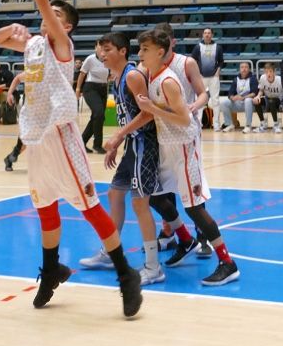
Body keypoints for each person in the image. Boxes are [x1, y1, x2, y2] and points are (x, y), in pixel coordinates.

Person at [0, 0, 142, 317]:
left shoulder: (60, 46)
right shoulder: (35, 46)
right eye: (48, 14)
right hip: (37, 138)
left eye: (57, 15)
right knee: (45, 206)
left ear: (67, 28)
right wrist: (17, 31)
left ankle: (127, 275)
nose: (48, 15)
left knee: (89, 206)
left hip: (61, 132)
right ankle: (53, 267)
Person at [134, 28, 240, 286]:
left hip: (184, 143)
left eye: (144, 50)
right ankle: (184, 238)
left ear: (161, 51)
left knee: (193, 206)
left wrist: (153, 108)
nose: (140, 54)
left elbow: (183, 118)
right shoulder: (151, 73)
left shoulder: (170, 78)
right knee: (156, 197)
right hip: (166, 144)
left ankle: (227, 262)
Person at [80, 32, 181, 286]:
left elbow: (147, 115)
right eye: (100, 49)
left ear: (122, 51)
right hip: (132, 145)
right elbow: (130, 116)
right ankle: (110, 252)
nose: (102, 54)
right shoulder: (115, 77)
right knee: (115, 194)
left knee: (139, 204)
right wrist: (119, 143)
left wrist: (116, 138)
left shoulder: (133, 76)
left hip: (145, 144)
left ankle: (153, 266)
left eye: (107, 49)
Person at [76, 44, 109, 153]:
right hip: (90, 88)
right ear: (96, 48)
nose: (102, 49)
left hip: (104, 89)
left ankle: (81, 142)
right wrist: (78, 89)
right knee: (98, 113)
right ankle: (97, 145)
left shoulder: (108, 59)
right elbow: (82, 74)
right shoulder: (90, 59)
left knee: (99, 117)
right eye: (99, 46)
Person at [190, 27, 223, 129]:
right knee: (199, 100)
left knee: (215, 101)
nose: (207, 35)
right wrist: (197, 74)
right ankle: (199, 124)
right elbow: (193, 61)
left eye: (209, 33)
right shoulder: (197, 47)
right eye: (205, 33)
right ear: (203, 35)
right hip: (201, 77)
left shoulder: (218, 47)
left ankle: (216, 124)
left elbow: (221, 61)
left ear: (212, 35)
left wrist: (217, 72)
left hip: (214, 77)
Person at [219, 61, 258, 133]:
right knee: (224, 103)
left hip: (251, 104)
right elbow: (230, 93)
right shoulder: (236, 79)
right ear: (239, 69)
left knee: (248, 100)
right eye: (242, 67)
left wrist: (243, 97)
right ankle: (229, 124)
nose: (244, 69)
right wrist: (232, 97)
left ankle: (248, 126)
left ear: (249, 69)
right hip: (239, 103)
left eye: (246, 67)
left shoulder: (253, 78)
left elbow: (254, 93)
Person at [255, 62, 283, 132]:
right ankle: (263, 124)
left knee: (271, 101)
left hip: (279, 100)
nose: (268, 74)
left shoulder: (280, 80)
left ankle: (276, 124)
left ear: (274, 72)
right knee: (256, 101)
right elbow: (261, 90)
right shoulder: (262, 78)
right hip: (267, 99)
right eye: (266, 72)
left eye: (270, 71)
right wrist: (258, 96)